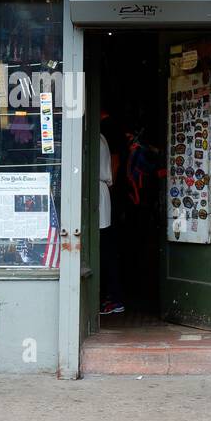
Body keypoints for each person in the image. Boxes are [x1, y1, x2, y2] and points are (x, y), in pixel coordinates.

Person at [98, 116, 124, 316]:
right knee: (105, 246)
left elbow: (112, 164)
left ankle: (113, 297)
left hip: (100, 192)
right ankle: (111, 296)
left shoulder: (98, 138)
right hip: (103, 190)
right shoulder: (101, 138)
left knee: (104, 247)